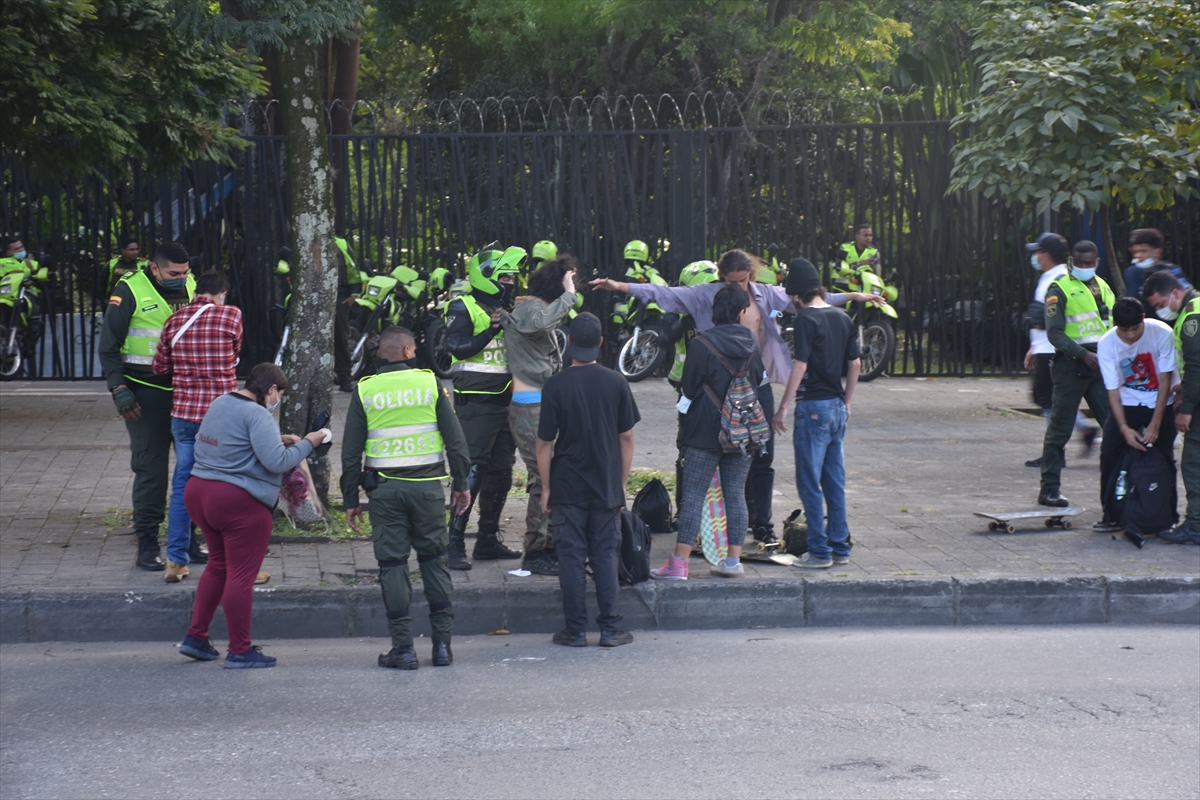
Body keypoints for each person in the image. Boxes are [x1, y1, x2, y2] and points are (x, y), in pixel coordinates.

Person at [590, 248, 884, 547]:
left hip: (757, 384)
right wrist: (619, 286)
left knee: (762, 457)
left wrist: (853, 297)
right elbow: (663, 293)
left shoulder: (764, 295)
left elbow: (810, 300)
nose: (738, 288)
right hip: (718, 389)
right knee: (708, 457)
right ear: (722, 279)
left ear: (751, 276)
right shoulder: (706, 295)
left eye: (743, 281)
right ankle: (705, 525)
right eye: (732, 282)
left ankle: (762, 524)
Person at [177, 363, 328, 668]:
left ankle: (196, 638)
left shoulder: (221, 402)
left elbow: (236, 445)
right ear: (271, 389)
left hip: (199, 493)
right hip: (237, 503)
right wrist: (309, 442)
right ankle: (240, 650)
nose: (277, 400)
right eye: (279, 393)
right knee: (241, 576)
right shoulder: (258, 414)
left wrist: (278, 438)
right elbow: (276, 462)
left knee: (218, 567)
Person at [340, 327, 471, 669]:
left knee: (393, 565)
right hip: (427, 490)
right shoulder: (430, 384)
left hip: (384, 492)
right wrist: (461, 483)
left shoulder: (365, 390)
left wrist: (350, 497)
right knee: (434, 560)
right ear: (409, 350)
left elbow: (351, 452)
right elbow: (455, 440)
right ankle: (442, 647)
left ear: (381, 354)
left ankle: (404, 649)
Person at [537, 313, 639, 647]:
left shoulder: (556, 384)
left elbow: (544, 443)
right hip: (606, 482)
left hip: (567, 484)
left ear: (567, 344)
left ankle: (575, 629)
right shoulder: (616, 382)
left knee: (570, 556)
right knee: (606, 555)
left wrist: (547, 487)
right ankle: (610, 629)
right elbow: (626, 438)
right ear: (600, 343)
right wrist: (622, 483)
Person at [650, 284, 762, 579]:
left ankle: (679, 564)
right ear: (742, 312)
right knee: (735, 494)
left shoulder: (700, 344)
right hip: (741, 431)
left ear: (714, 311)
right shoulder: (752, 342)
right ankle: (732, 562)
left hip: (703, 431)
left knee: (695, 495)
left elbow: (688, 387)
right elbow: (759, 379)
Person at [100, 241, 195, 570]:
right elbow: (108, 346)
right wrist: (118, 388)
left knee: (194, 467)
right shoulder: (128, 290)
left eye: (184, 272)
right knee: (151, 468)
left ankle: (188, 538)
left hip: (187, 391)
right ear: (154, 268)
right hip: (145, 393)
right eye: (173, 273)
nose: (181, 279)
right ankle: (147, 540)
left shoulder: (192, 284)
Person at [151, 271, 242, 582]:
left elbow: (159, 367)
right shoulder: (230, 315)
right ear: (221, 294)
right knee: (225, 486)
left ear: (196, 292)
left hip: (184, 417)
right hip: (220, 419)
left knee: (182, 488)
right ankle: (228, 559)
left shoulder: (174, 322)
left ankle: (175, 561)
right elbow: (235, 355)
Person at [772, 259, 860, 568]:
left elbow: (801, 365)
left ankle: (819, 552)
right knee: (834, 482)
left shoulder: (806, 320)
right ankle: (840, 547)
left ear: (796, 295)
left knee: (809, 482)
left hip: (813, 409)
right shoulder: (843, 316)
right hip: (837, 408)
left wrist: (783, 406)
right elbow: (856, 364)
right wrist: (847, 401)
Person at [443, 246, 526, 570]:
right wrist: (490, 330)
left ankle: (487, 539)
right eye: (504, 277)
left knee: (502, 472)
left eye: (512, 277)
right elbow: (455, 348)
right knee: (472, 471)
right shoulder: (462, 306)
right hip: (476, 404)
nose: (509, 283)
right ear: (486, 277)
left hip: (507, 402)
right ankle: (454, 543)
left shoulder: (509, 309)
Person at [499, 254, 577, 575]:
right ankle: (535, 551)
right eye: (570, 279)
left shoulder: (530, 307)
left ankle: (546, 544)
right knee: (541, 478)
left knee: (548, 476)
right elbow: (541, 323)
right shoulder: (531, 309)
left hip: (537, 403)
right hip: (530, 405)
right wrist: (569, 294)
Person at [1034, 235, 1114, 508]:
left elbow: (1110, 327)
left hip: (1099, 366)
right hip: (1071, 365)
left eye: (1088, 262)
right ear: (1071, 261)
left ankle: (1119, 487)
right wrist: (1083, 354)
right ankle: (1049, 490)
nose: (1083, 265)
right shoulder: (1059, 288)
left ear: (1097, 262)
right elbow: (1055, 334)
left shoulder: (1103, 286)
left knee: (1115, 426)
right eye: (1079, 262)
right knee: (1060, 430)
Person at [1095, 298, 1178, 530]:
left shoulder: (1161, 332)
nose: (1130, 335)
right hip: (1127, 403)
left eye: (1135, 329)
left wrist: (1155, 423)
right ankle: (1110, 514)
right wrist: (1123, 428)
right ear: (1114, 324)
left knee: (1164, 458)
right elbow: (1112, 390)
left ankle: (1168, 516)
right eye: (1124, 330)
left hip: (1160, 401)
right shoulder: (1107, 343)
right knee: (1109, 456)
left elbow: (1165, 380)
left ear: (1143, 319)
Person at [1023, 244, 1099, 468]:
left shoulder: (1054, 280)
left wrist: (1037, 346)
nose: (1035, 257)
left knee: (1049, 400)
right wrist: (1033, 347)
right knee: (1053, 400)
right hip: (1048, 347)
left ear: (1045, 254)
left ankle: (1056, 451)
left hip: (1051, 349)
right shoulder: (1055, 277)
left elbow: (1041, 318)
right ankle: (1078, 433)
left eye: (1037, 252)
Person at [1142, 271, 1199, 543]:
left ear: (1175, 293)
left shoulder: (1191, 318)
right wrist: (1183, 385)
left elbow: (1197, 368)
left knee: (1193, 463)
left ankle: (1195, 526)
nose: (1158, 310)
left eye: (1159, 303)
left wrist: (1186, 408)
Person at [0, 235, 48, 377]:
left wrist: (34, 273)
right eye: (16, 249)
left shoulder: (31, 263)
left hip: (26, 294)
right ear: (9, 252)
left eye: (21, 247)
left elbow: (43, 276)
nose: (21, 250)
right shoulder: (3, 262)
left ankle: (28, 345)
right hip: (6, 296)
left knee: (35, 319)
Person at [1123, 228, 1192, 312]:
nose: (1139, 255)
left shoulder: (1172, 271)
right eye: (1135, 252)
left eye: (1144, 251)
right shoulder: (1131, 273)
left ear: (1157, 252)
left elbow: (1186, 294)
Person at [333, 234, 363, 392]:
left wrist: (354, 295)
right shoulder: (304, 237)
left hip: (340, 295)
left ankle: (344, 378)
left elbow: (353, 268)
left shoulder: (340, 243)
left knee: (340, 338)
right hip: (313, 298)